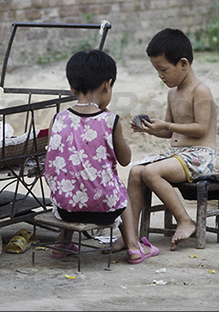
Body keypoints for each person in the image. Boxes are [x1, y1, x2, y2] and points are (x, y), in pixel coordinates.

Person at [43, 49, 158, 264]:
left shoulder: (58, 119)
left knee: (74, 183)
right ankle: (133, 248)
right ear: (108, 84)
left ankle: (61, 245)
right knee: (120, 192)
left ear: (72, 88)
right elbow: (125, 160)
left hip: (66, 209)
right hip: (105, 209)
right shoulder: (109, 120)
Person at [116, 28, 218, 252]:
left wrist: (168, 126)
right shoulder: (172, 93)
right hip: (178, 156)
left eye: (163, 70)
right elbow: (170, 132)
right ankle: (129, 234)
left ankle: (185, 220)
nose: (160, 76)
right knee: (135, 171)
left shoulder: (200, 90)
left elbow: (201, 129)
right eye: (156, 70)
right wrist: (151, 129)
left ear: (183, 63)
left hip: (201, 155)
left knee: (151, 172)